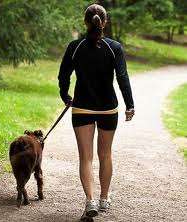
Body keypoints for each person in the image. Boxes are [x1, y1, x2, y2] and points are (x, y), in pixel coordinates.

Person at [58, 3, 135, 220]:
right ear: (105, 21)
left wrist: (65, 96)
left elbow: (63, 76)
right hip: (108, 109)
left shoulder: (75, 47)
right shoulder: (114, 47)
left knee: (86, 158)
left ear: (85, 21)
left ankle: (90, 200)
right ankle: (104, 198)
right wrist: (130, 104)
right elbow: (122, 78)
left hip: (81, 107)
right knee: (106, 155)